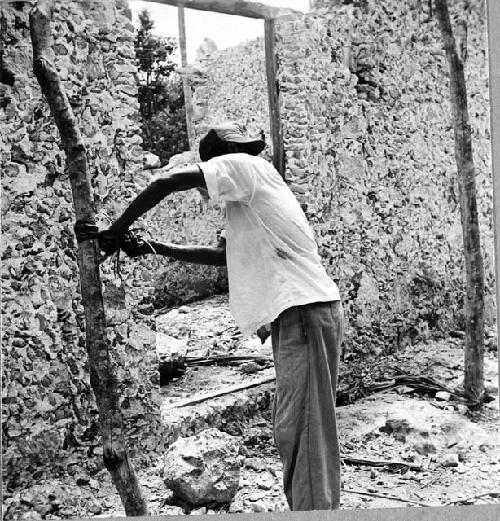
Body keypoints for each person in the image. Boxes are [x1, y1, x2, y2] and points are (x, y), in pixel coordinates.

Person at [99, 121, 344, 511]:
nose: (204, 185)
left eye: (207, 172)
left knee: (305, 433)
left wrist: (115, 230)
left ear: (220, 159)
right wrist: (154, 246)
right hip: (299, 315)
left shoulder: (246, 168)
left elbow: (167, 182)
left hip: (304, 310)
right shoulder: (245, 200)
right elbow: (219, 257)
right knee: (294, 430)